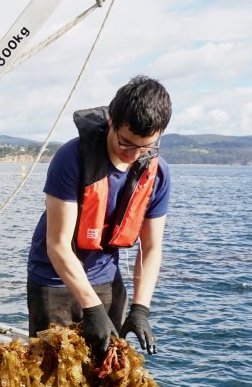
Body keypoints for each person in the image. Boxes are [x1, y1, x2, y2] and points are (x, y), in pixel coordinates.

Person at [26, 75, 172, 357]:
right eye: (126, 143)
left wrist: (140, 309)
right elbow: (57, 245)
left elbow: (152, 247)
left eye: (146, 147)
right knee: (53, 380)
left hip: (105, 279)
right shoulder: (72, 158)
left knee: (104, 374)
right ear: (112, 121)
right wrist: (91, 308)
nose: (134, 154)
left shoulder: (159, 172)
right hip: (54, 280)